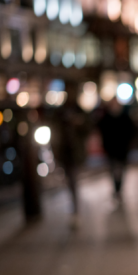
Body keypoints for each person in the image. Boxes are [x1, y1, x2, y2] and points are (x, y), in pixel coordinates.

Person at [51, 84, 92, 215]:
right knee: (70, 179)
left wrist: (79, 124)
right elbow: (55, 131)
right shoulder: (60, 112)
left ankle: (76, 208)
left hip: (76, 152)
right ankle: (75, 205)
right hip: (65, 151)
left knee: (73, 179)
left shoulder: (79, 110)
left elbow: (88, 129)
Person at [97, 98, 137, 204]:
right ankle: (116, 188)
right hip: (111, 149)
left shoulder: (125, 116)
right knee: (113, 169)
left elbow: (131, 130)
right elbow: (102, 131)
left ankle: (119, 187)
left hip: (122, 149)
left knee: (122, 169)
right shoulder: (106, 117)